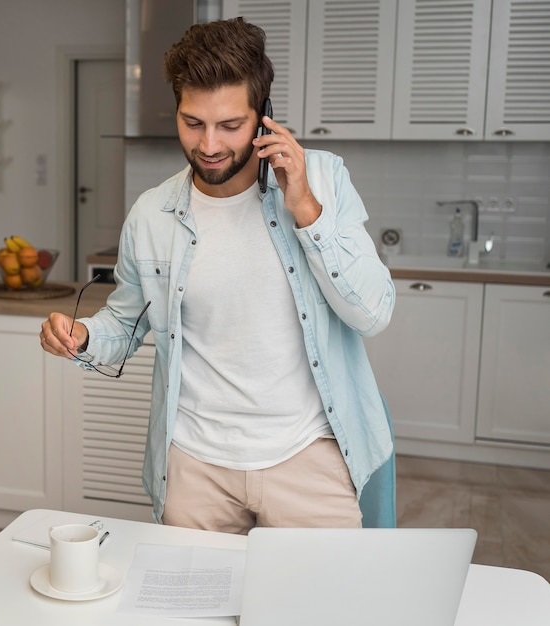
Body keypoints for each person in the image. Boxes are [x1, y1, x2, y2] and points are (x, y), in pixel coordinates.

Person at [40, 17, 396, 534]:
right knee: (191, 612)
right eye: (192, 123)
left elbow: (373, 314)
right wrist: (84, 337)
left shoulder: (322, 179)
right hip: (194, 465)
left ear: (264, 117)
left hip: (308, 453)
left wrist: (306, 210)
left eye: (230, 125)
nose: (208, 144)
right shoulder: (150, 214)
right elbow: (126, 321)